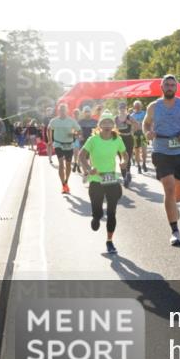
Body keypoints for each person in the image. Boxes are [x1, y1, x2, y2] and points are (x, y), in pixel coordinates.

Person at [143, 74, 180, 246]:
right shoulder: (153, 106)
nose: (169, 87)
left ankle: (174, 209)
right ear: (162, 87)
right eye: (166, 85)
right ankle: (175, 230)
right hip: (161, 151)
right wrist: (147, 132)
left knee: (178, 196)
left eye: (172, 85)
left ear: (176, 88)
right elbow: (146, 124)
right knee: (169, 190)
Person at [80, 111, 128, 255]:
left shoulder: (117, 139)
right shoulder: (93, 140)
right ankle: (96, 216)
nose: (107, 125)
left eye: (110, 123)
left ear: (113, 125)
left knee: (112, 212)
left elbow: (124, 154)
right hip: (96, 180)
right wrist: (88, 169)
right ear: (99, 125)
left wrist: (124, 161)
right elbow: (82, 156)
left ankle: (109, 241)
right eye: (104, 123)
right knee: (98, 212)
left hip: (111, 179)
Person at [48, 103, 80, 194]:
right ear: (59, 111)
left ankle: (66, 181)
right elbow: (49, 129)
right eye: (60, 110)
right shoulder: (54, 121)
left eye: (64, 110)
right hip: (58, 144)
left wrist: (73, 134)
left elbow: (79, 131)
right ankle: (63, 185)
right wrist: (50, 140)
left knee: (68, 165)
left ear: (67, 111)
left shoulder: (71, 121)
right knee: (61, 164)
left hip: (69, 145)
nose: (62, 111)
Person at [114, 101, 138, 187]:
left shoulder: (129, 117)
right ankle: (125, 178)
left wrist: (131, 127)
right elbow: (113, 129)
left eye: (123, 108)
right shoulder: (116, 118)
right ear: (118, 109)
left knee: (128, 156)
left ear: (126, 108)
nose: (122, 109)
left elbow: (137, 125)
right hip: (119, 140)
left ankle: (128, 172)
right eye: (120, 108)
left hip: (128, 138)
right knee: (121, 158)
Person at [130, 100, 149, 173]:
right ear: (134, 107)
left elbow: (148, 122)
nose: (137, 107)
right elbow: (131, 127)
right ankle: (139, 166)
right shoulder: (131, 116)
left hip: (143, 134)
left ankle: (144, 163)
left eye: (139, 106)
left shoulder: (145, 113)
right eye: (136, 106)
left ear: (141, 106)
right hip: (135, 135)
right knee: (137, 151)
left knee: (144, 151)